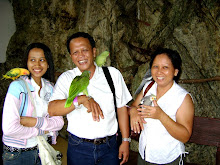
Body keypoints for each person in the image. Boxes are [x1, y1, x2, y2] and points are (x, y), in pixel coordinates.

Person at [48, 32, 132, 165]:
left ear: (94, 51)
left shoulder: (112, 75)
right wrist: (80, 100)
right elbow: (52, 109)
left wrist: (126, 140)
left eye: (84, 50)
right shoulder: (67, 78)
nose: (80, 55)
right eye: (75, 52)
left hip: (109, 147)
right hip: (79, 148)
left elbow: (121, 108)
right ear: (71, 56)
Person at [2, 43, 64, 165]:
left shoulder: (50, 88)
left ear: (48, 63)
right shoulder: (17, 87)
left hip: (42, 150)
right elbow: (9, 129)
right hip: (17, 155)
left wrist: (31, 122)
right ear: (26, 62)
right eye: (32, 60)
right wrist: (43, 130)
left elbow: (59, 123)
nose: (37, 64)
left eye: (42, 60)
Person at [129, 48, 194, 165]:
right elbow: (133, 106)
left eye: (165, 67)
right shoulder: (149, 87)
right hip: (144, 155)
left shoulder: (182, 98)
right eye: (155, 66)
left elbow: (185, 136)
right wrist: (133, 112)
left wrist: (161, 116)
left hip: (168, 158)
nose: (159, 72)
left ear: (175, 71)